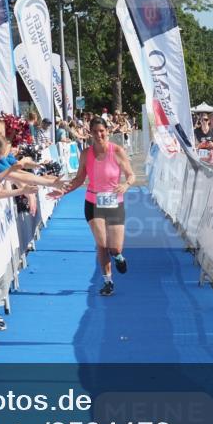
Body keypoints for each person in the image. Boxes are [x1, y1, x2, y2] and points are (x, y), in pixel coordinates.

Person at [50, 117, 136, 297]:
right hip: (93, 202)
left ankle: (119, 257)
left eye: (102, 131)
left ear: (107, 131)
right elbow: (80, 179)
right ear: (90, 133)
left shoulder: (117, 151)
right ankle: (108, 282)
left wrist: (126, 185)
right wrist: (63, 192)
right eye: (95, 131)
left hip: (114, 202)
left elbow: (131, 175)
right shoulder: (85, 154)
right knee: (102, 244)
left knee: (115, 248)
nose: (99, 135)